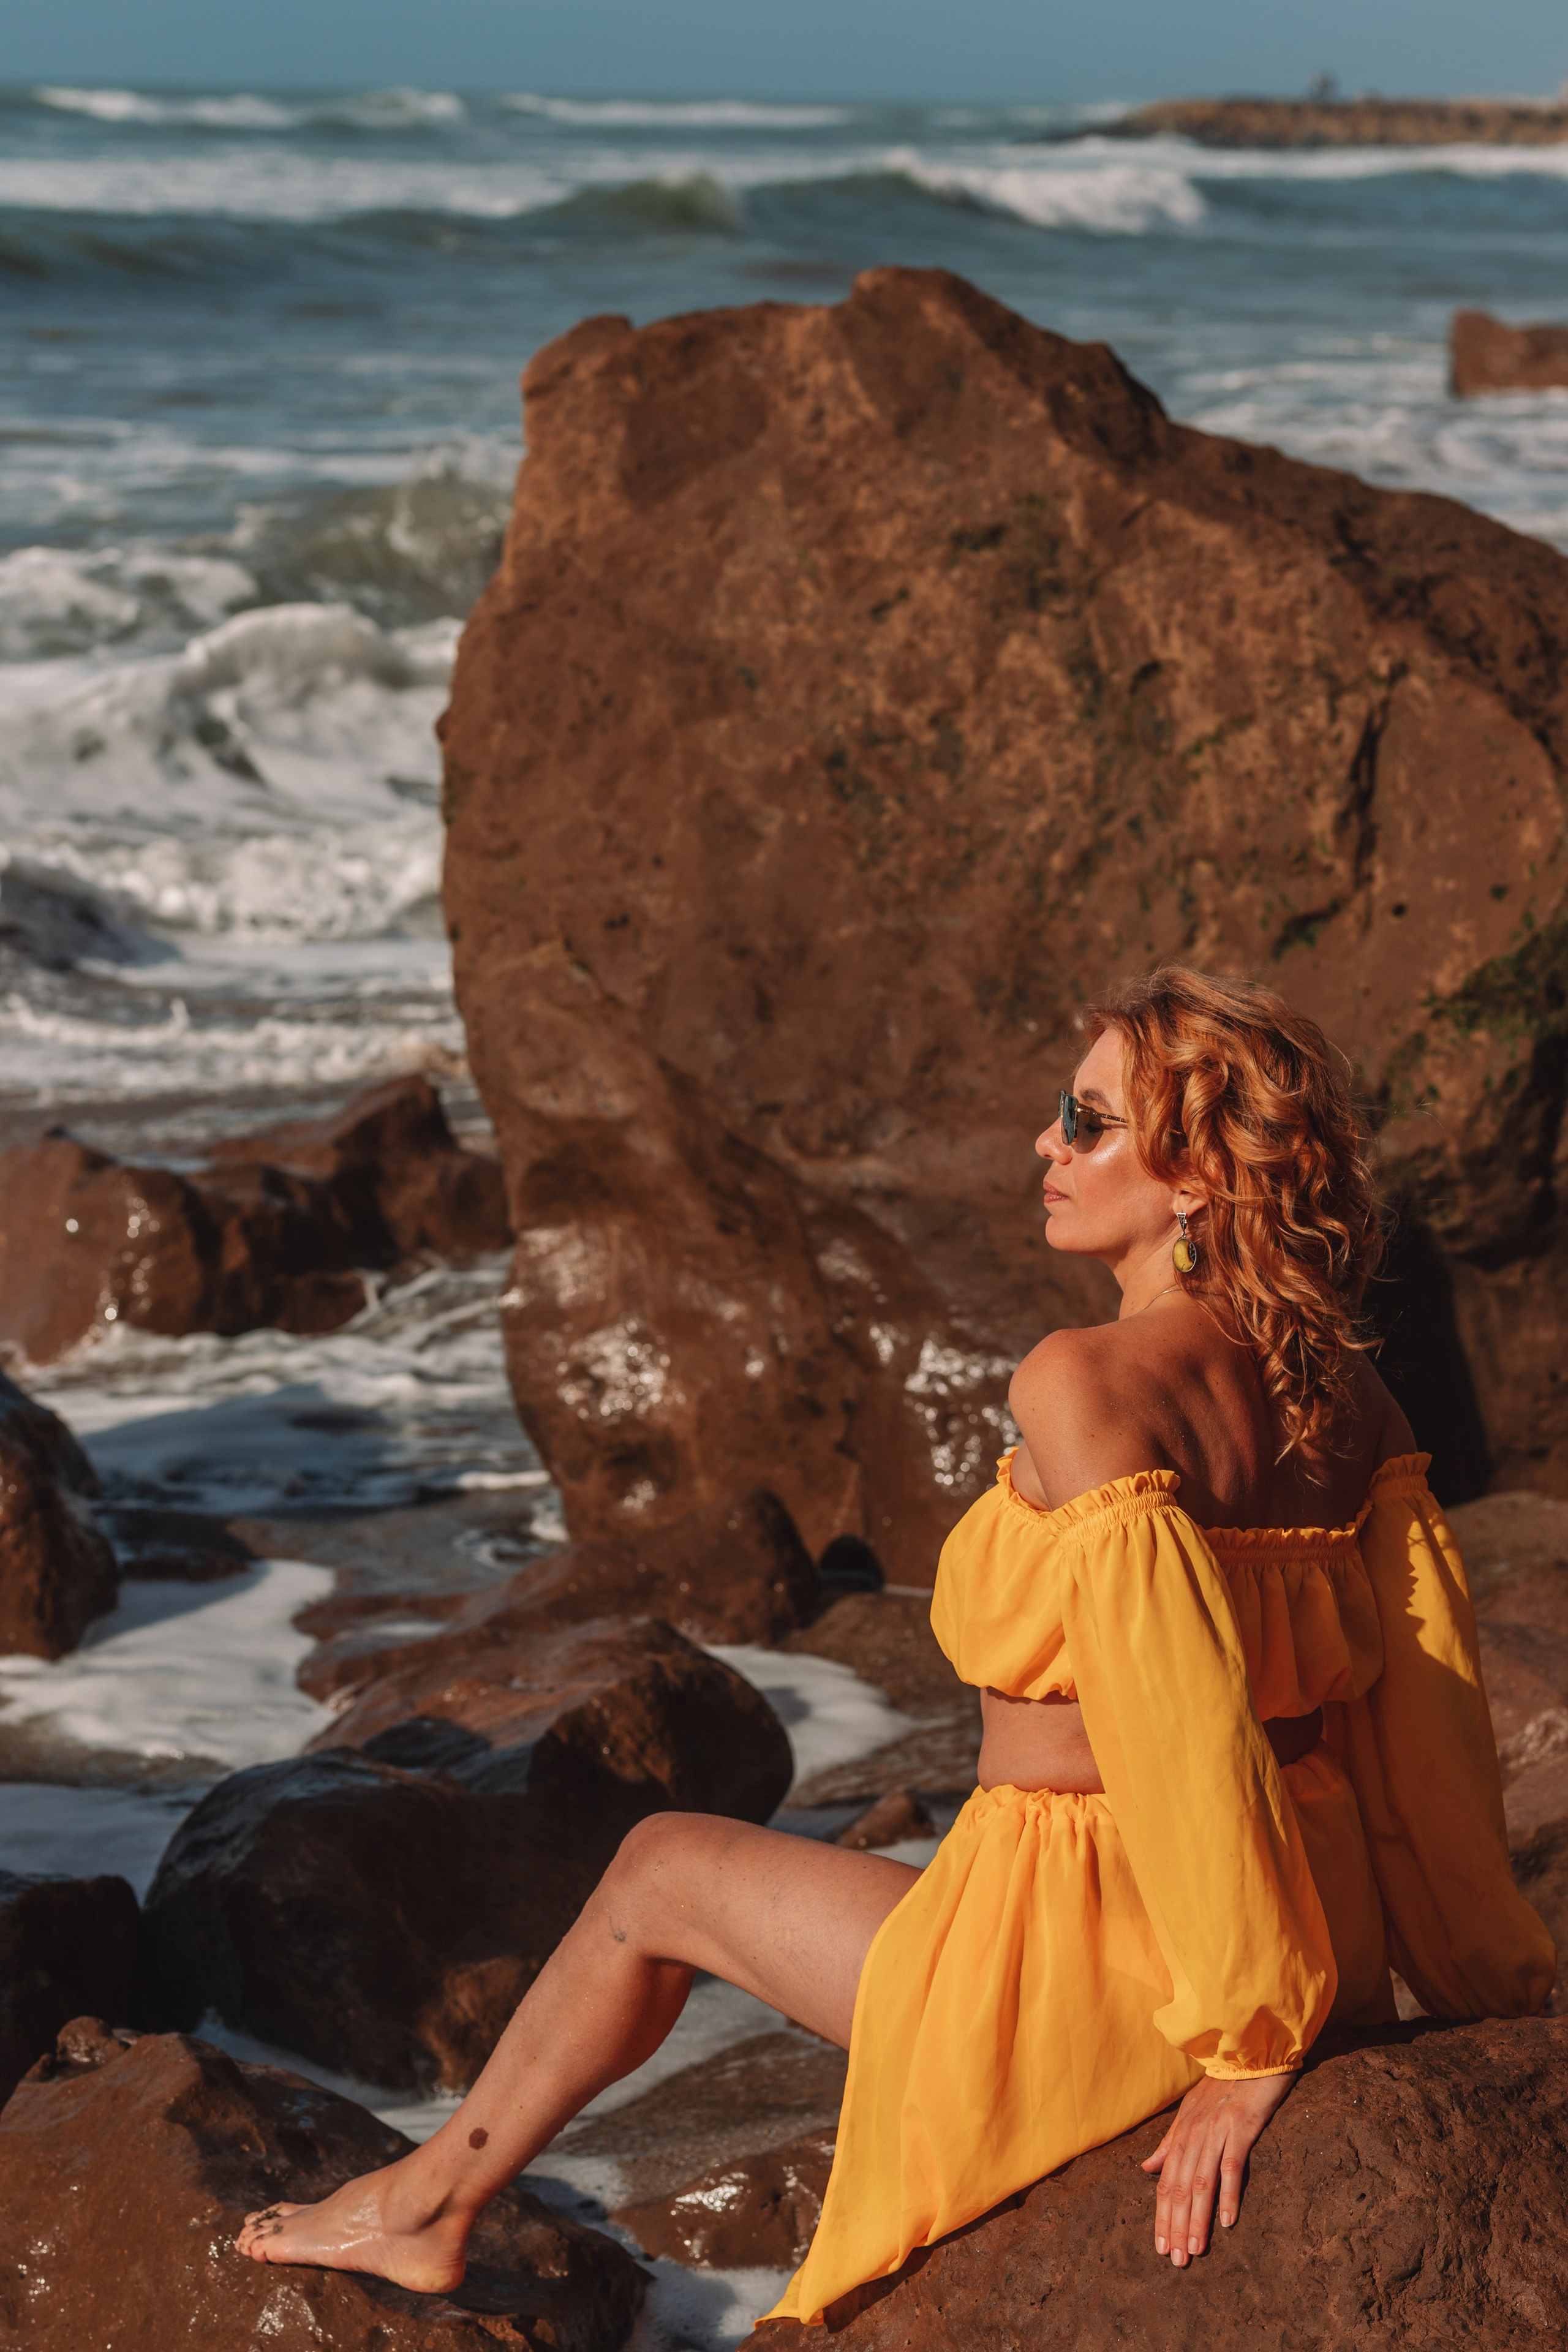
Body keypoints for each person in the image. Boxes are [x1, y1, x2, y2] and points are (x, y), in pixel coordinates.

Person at [237, 964, 1555, 2318]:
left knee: (655, 1871)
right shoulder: (1347, 1392)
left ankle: (423, 2203)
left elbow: (1176, 1720)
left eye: (1087, 1121)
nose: (1044, 1143)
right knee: (680, 1868)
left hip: (1102, 1944)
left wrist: (1248, 2039)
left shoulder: (1081, 1382)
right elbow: (1421, 1720)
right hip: (1299, 1896)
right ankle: (428, 2198)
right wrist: (1475, 1980)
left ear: (1194, 1182)